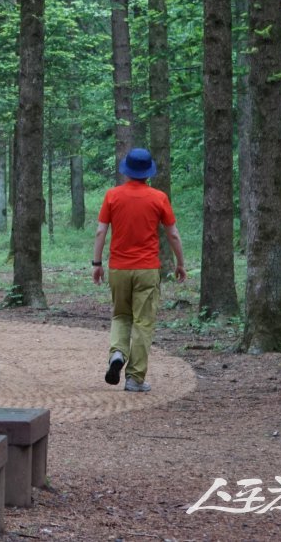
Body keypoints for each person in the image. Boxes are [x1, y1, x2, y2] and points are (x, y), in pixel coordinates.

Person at [92, 147, 187, 392]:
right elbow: (173, 234)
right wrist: (180, 263)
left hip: (118, 268)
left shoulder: (112, 196)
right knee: (143, 323)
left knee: (120, 315)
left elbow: (101, 231)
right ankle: (134, 378)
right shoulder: (159, 198)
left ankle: (117, 354)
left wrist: (97, 263)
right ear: (148, 173)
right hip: (146, 269)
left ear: (127, 171)